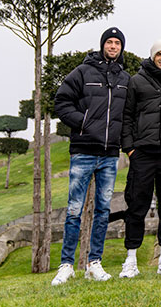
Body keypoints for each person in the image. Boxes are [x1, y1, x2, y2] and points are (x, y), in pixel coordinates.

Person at [51, 27, 130, 285]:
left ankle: (94, 263)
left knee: (103, 211)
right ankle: (66, 265)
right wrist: (83, 122)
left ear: (121, 47)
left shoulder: (125, 79)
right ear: (102, 44)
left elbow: (128, 114)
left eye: (117, 43)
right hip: (83, 150)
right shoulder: (83, 72)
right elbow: (62, 101)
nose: (113, 46)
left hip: (109, 154)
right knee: (74, 210)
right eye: (109, 42)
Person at [119, 39, 161, 279]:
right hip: (143, 152)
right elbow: (127, 116)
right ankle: (131, 259)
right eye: (159, 55)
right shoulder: (137, 81)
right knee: (137, 205)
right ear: (153, 57)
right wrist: (129, 148)